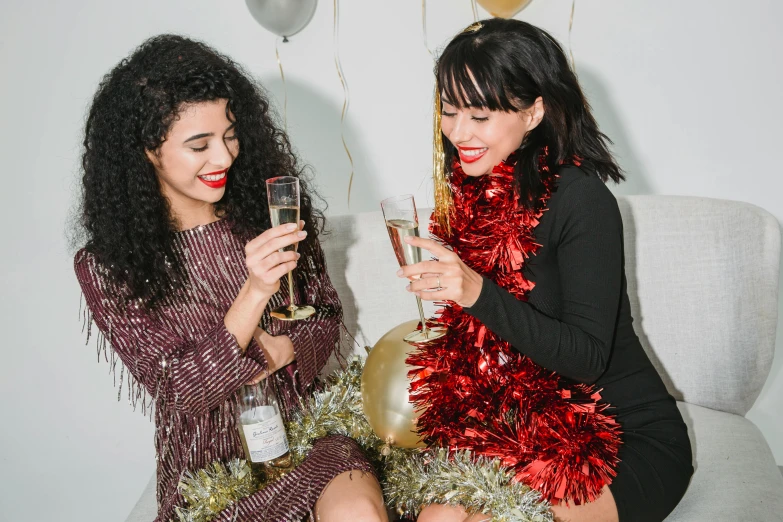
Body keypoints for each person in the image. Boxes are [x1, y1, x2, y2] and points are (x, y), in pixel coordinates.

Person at [73, 35, 386, 522]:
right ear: (147, 151)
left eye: (230, 134)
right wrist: (256, 297)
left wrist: (279, 351)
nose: (224, 157)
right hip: (211, 476)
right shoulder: (108, 266)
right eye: (199, 144)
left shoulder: (269, 213)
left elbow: (323, 315)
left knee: (359, 510)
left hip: (309, 435)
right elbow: (179, 390)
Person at [398, 19, 693, 522]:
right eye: (448, 112)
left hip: (621, 433)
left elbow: (587, 359)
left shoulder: (582, 199)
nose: (458, 132)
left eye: (479, 115)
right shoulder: (471, 192)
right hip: (522, 425)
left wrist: (477, 293)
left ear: (533, 110)